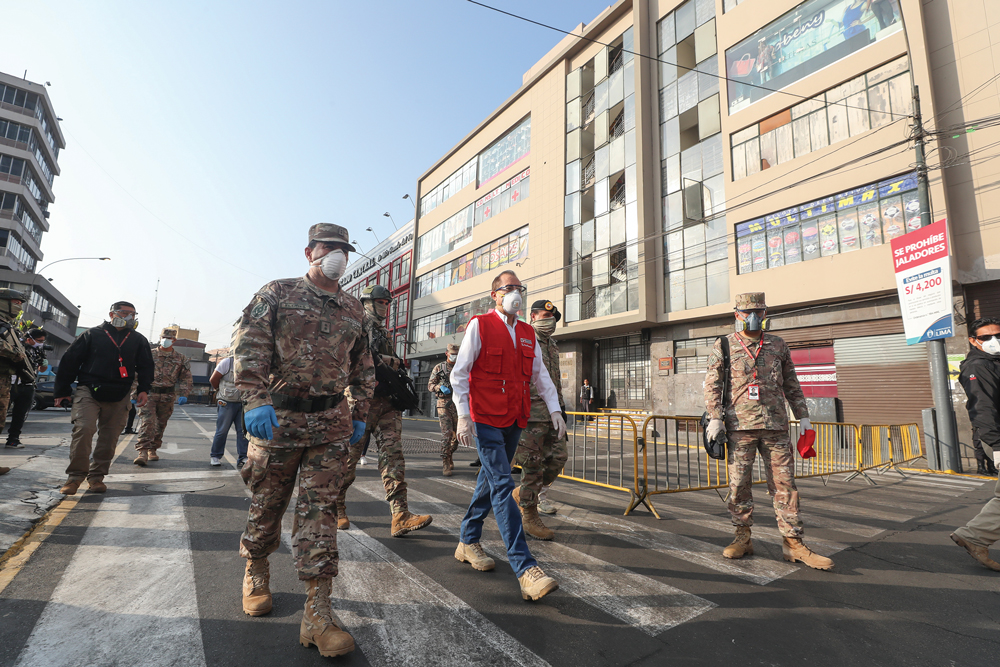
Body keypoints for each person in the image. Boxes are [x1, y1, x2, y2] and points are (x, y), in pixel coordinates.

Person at [235, 223, 375, 658]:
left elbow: (363, 366)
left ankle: (317, 615)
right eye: (327, 247)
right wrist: (255, 399)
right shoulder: (276, 293)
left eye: (342, 250)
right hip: (277, 420)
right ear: (309, 251)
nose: (335, 255)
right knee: (268, 503)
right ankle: (257, 568)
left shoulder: (354, 307)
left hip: (331, 424)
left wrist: (359, 411)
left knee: (320, 514)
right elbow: (249, 345)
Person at [451, 269, 564, 601]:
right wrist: (462, 415)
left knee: (489, 482)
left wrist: (555, 409)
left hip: (515, 418)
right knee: (502, 485)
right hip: (485, 419)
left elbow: (540, 375)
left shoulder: (528, 332)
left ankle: (467, 541)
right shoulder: (480, 325)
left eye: (519, 287)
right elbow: (461, 373)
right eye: (508, 288)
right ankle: (525, 567)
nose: (515, 292)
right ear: (494, 295)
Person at [704, 292, 833, 570]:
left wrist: (804, 416)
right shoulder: (724, 345)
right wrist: (715, 418)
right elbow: (712, 384)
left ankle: (793, 543)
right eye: (747, 312)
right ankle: (742, 537)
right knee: (739, 485)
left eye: (759, 311)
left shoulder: (777, 344)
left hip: (776, 426)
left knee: (785, 485)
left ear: (765, 313)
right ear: (736, 314)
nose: (753, 317)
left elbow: (791, 383)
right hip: (740, 427)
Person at [336, 285, 431, 535]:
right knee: (349, 457)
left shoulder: (382, 331)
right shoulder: (356, 324)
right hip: (360, 401)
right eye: (380, 301)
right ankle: (336, 506)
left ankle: (400, 514)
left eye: (387, 303)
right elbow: (353, 358)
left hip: (387, 402)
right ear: (366, 301)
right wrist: (390, 361)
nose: (385, 306)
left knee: (393, 456)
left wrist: (395, 364)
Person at [55, 301, 154, 495]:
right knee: (84, 429)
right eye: (125, 313)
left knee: (109, 438)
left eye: (132, 314)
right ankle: (74, 478)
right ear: (112, 314)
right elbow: (70, 362)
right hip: (88, 390)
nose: (129, 317)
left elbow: (146, 367)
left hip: (120, 393)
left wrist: (144, 389)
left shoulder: (138, 339)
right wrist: (62, 390)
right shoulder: (91, 335)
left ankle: (96, 477)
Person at [513, 300, 569, 540]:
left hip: (553, 411)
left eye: (553, 316)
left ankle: (523, 493)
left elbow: (553, 380)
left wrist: (561, 407)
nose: (550, 320)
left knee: (558, 457)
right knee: (532, 465)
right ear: (532, 316)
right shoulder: (523, 337)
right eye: (545, 315)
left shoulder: (552, 344)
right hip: (531, 413)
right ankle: (529, 515)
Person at [951, 317, 1000, 570]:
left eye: (998, 335)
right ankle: (974, 536)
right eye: (986, 337)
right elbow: (982, 408)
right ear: (973, 341)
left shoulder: (994, 362)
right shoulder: (978, 366)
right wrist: (997, 444)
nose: (994, 341)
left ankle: (975, 536)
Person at [133, 328, 193, 466]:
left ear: (174, 340)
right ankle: (142, 451)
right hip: (149, 394)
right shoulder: (148, 354)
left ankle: (153, 449)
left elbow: (186, 378)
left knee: (160, 424)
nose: (166, 340)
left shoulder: (180, 358)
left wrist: (184, 394)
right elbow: (137, 374)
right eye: (164, 337)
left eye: (169, 338)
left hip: (168, 395)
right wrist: (134, 393)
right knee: (148, 422)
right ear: (160, 338)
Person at [6, 327, 48, 448]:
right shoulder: (16, 346)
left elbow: (41, 369)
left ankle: (13, 439)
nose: (41, 343)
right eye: (39, 340)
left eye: (42, 341)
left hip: (28, 385)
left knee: (20, 414)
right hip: (12, 383)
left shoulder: (39, 351)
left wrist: (44, 363)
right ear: (29, 339)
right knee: (3, 411)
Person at [208, 355, 249, 468]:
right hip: (227, 403)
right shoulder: (227, 362)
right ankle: (215, 456)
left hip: (243, 402)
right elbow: (213, 379)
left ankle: (243, 457)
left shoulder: (251, 363)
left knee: (243, 432)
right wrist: (220, 392)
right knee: (222, 430)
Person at [428, 343, 460, 476]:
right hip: (443, 403)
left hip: (458, 404)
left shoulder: (462, 367)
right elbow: (430, 385)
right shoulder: (439, 367)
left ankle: (449, 454)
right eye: (452, 354)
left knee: (458, 436)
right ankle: (445, 462)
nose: (454, 356)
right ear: (447, 353)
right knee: (447, 434)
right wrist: (438, 387)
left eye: (456, 354)